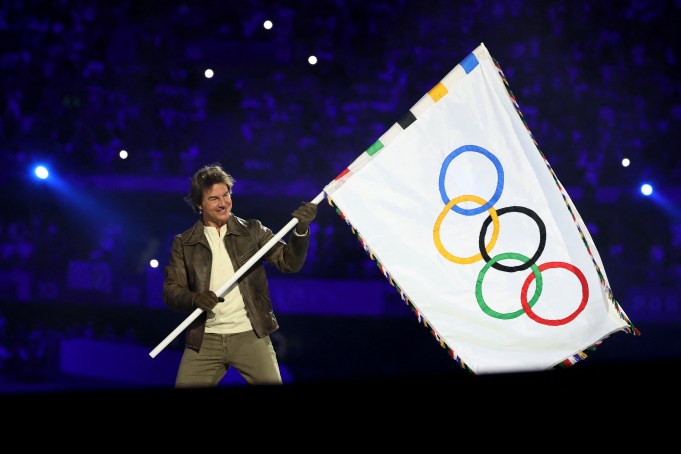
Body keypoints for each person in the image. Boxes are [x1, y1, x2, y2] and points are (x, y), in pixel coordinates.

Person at [162, 163, 317, 387]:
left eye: (226, 195)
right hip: (205, 339)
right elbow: (171, 292)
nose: (223, 203)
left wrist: (301, 231)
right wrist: (195, 299)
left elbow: (289, 262)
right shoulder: (184, 242)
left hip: (250, 334)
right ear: (199, 204)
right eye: (214, 199)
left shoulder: (253, 231)